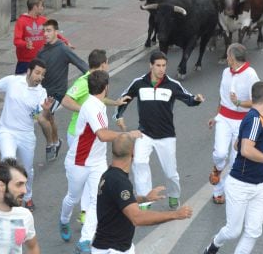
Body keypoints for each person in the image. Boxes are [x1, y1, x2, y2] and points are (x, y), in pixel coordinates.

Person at [202, 82, 263, 254]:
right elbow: (245, 149)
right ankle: (213, 246)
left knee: (253, 231)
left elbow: (236, 145)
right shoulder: (255, 119)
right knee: (233, 231)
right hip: (240, 185)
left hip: (258, 186)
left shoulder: (254, 119)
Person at [115, 51, 204, 211]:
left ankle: (174, 195)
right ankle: (145, 201)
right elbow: (125, 98)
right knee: (140, 164)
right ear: (151, 65)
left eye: (164, 65)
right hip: (144, 134)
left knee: (170, 173)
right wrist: (119, 116)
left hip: (166, 137)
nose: (161, 69)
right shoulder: (139, 83)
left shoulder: (172, 85)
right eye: (158, 65)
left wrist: (196, 100)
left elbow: (189, 99)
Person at [91, 133, 193, 254]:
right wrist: (175, 214)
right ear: (132, 152)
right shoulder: (119, 182)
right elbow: (137, 218)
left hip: (118, 247)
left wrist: (145, 198)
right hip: (111, 249)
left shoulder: (110, 175)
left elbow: (121, 201)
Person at [59, 70, 125, 253]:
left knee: (97, 200)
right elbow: (103, 135)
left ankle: (85, 240)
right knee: (73, 198)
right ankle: (64, 220)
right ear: (106, 87)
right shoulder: (90, 106)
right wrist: (127, 135)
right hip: (79, 162)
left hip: (97, 163)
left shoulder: (99, 103)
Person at [0, 59, 52, 211]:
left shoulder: (42, 93)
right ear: (28, 71)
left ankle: (28, 196)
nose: (39, 77)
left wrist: (45, 110)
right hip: (7, 131)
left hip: (26, 134)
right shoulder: (12, 81)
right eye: (37, 73)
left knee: (27, 170)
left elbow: (40, 118)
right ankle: (4, 198)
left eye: (43, 75)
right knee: (8, 162)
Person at [208, 44, 260, 204]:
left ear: (233, 58)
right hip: (223, 118)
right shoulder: (225, 72)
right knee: (220, 153)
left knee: (234, 159)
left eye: (228, 56)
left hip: (241, 122)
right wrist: (216, 116)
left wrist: (238, 102)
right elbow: (222, 96)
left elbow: (257, 101)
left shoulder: (251, 75)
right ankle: (217, 169)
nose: (227, 59)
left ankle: (219, 191)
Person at [36, 19, 88, 161]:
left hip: (58, 93)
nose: (46, 34)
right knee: (50, 117)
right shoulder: (42, 51)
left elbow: (81, 64)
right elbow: (36, 70)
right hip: (44, 92)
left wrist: (94, 78)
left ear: (56, 32)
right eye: (44, 31)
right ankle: (57, 142)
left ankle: (50, 144)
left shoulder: (63, 49)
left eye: (49, 31)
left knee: (43, 117)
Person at [13, 0, 67, 75]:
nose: (43, 8)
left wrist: (65, 41)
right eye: (41, 6)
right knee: (22, 84)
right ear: (35, 7)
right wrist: (25, 44)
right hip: (25, 62)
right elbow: (16, 40)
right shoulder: (21, 21)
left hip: (41, 60)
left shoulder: (44, 20)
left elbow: (54, 33)